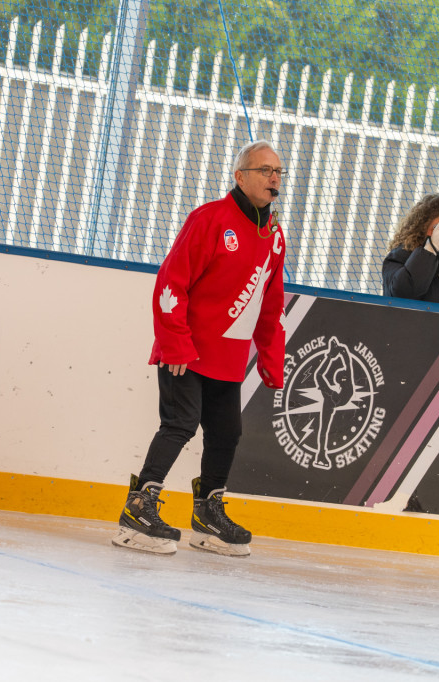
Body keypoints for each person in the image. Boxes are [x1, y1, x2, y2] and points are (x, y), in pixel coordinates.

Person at [112, 140, 287, 557]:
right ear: (239, 176)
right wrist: (174, 342)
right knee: (179, 425)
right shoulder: (210, 219)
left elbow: (270, 302)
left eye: (278, 172)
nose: (274, 178)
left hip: (228, 360)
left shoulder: (274, 237)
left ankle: (207, 515)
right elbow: (171, 283)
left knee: (228, 433)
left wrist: (270, 357)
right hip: (186, 354)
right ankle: (138, 509)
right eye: (264, 170)